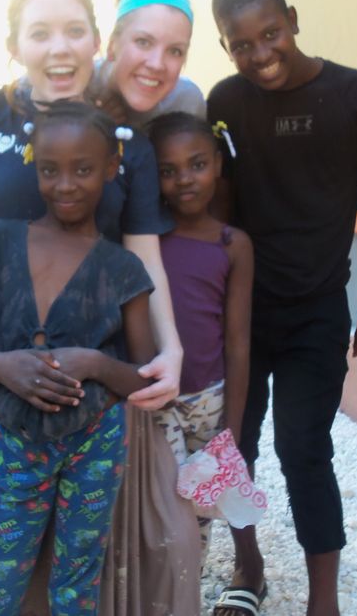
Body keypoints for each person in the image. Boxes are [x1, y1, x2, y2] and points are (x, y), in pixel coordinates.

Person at [207, 0, 357, 616]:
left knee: (304, 449)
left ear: (292, 19)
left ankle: (325, 598)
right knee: (232, 444)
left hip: (317, 310)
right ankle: (248, 565)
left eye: (271, 33)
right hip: (241, 310)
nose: (261, 53)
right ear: (225, 47)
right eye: (241, 44)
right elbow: (222, 206)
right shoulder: (225, 103)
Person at [0, 101, 158, 615]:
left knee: (76, 581)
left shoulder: (123, 269)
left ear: (111, 168)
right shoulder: (0, 242)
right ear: (35, 167)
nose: (65, 184)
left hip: (97, 441)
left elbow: (143, 378)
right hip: (17, 440)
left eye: (83, 170)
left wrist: (93, 362)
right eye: (50, 170)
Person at [145, 111, 253, 557]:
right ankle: (152, 591)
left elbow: (238, 341)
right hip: (154, 400)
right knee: (156, 511)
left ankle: (187, 589)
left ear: (217, 165)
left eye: (197, 164)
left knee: (197, 519)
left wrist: (232, 430)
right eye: (168, 170)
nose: (184, 179)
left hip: (208, 402)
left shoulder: (233, 244)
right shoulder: (144, 241)